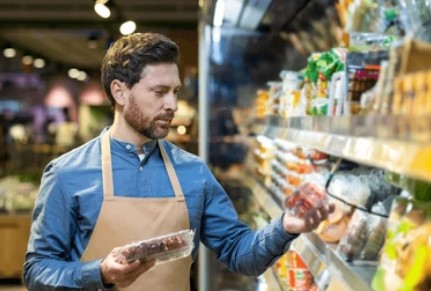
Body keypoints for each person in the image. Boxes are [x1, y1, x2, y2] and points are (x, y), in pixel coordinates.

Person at [23, 32, 334, 291]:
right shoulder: (67, 174)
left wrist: (285, 227)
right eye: (159, 92)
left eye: (175, 92)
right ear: (119, 91)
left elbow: (242, 255)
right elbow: (37, 272)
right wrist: (100, 273)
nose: (172, 105)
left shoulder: (193, 172)